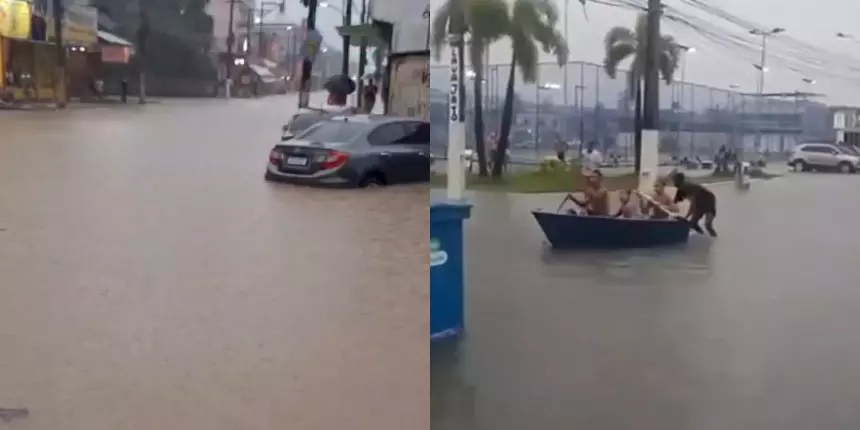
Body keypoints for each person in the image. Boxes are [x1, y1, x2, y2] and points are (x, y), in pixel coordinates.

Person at [671, 172, 718, 237]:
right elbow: (675, 202)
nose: (673, 183)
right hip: (699, 203)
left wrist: (686, 216)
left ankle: (714, 238)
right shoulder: (680, 188)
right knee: (693, 223)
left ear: (679, 181)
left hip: (709, 200)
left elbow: (693, 205)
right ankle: (702, 236)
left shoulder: (687, 186)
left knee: (708, 224)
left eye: (674, 180)